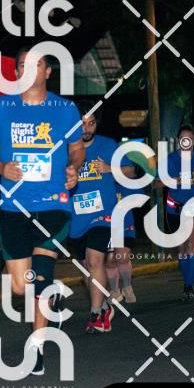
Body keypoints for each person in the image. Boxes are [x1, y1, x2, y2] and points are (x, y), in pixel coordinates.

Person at [0, 47, 84, 374]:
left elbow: (76, 148)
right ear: (15, 71)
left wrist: (74, 168)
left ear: (47, 71)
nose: (28, 69)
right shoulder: (2, 107)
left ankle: (36, 348)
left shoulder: (65, 109)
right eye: (23, 64)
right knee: (21, 286)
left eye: (36, 64)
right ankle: (53, 301)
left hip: (53, 205)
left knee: (41, 275)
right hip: (14, 207)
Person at [69, 105, 130, 333]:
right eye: (82, 124)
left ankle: (96, 314)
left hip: (103, 215)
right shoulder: (65, 149)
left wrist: (110, 168)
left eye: (91, 123)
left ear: (96, 124)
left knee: (95, 261)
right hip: (76, 218)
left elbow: (131, 171)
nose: (86, 128)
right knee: (87, 268)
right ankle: (103, 305)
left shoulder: (108, 145)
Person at [154, 125, 194, 304]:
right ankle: (188, 280)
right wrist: (173, 181)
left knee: (191, 243)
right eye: (182, 138)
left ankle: (189, 286)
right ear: (178, 140)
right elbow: (156, 184)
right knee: (181, 249)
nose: (185, 141)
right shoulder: (169, 160)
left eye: (189, 138)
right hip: (175, 208)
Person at [107, 144, 141, 305]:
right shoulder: (105, 185)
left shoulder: (130, 185)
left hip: (126, 225)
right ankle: (115, 290)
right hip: (107, 226)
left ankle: (127, 287)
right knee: (110, 260)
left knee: (122, 257)